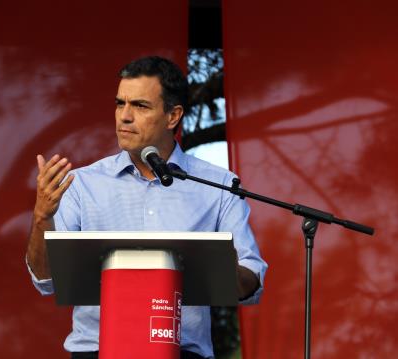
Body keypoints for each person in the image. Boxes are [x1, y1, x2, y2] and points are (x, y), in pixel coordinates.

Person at [26, 56, 267, 359]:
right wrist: (41, 217)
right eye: (119, 104)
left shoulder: (218, 185)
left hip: (183, 353)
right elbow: (46, 280)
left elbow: (250, 282)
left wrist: (212, 267)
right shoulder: (82, 183)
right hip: (97, 352)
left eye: (140, 106)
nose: (124, 117)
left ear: (172, 116)